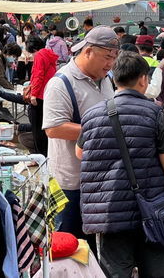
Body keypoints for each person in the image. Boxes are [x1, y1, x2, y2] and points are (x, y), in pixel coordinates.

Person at [75, 51, 164, 277]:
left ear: (114, 79)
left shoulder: (92, 114)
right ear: (143, 79)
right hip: (151, 209)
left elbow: (80, 152)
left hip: (108, 211)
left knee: (115, 271)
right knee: (156, 268)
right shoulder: (153, 112)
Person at [42, 25, 119, 241]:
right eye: (106, 57)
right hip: (69, 183)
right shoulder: (60, 83)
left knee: (94, 252)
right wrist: (100, 130)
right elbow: (54, 128)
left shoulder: (106, 80)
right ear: (88, 51)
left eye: (114, 57)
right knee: (68, 247)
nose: (110, 63)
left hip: (99, 181)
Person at [0, 36, 57, 156]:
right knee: (43, 128)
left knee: (37, 129)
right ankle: (45, 155)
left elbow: (38, 76)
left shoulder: (39, 55)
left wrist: (33, 95)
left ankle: (40, 156)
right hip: (47, 95)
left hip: (38, 96)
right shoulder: (48, 54)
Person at [137, 34, 164, 105]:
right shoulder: (160, 66)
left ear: (137, 48)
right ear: (152, 49)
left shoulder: (133, 64)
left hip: (137, 103)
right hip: (156, 105)